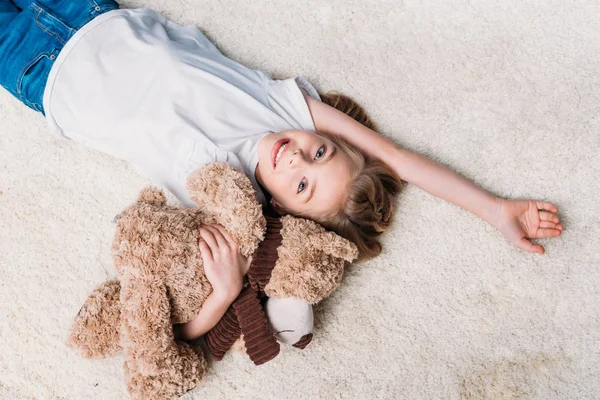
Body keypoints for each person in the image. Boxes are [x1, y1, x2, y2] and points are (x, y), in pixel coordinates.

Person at [0, 1, 563, 341]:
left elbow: (158, 330)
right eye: (320, 152)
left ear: (282, 212)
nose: (297, 157)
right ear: (327, 132)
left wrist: (221, 297)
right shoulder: (285, 110)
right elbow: (397, 159)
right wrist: (496, 209)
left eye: (301, 185)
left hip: (44, 76)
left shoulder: (224, 203)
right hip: (95, 16)